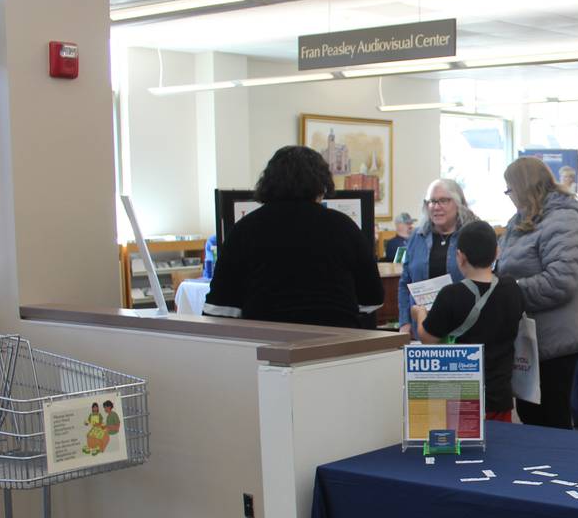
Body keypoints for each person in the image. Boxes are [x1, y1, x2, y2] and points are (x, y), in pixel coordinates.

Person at [205, 146, 383, 328]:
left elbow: (219, 307)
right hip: (336, 341)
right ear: (321, 184)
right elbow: (372, 299)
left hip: (266, 343)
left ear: (268, 182)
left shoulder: (244, 229)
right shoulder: (345, 227)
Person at [498, 156, 578, 429]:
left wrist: (510, 292)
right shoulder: (521, 220)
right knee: (531, 415)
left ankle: (559, 470)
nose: (509, 197)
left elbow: (561, 281)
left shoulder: (564, 222)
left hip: (557, 339)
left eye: (510, 190)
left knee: (552, 418)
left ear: (523, 187)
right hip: (532, 338)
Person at [411, 221, 525, 423]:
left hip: (461, 395)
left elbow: (428, 338)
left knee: (460, 448)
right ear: (497, 252)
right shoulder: (511, 288)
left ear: (460, 257)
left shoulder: (450, 295)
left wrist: (420, 314)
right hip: (499, 395)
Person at [398, 179, 477, 336]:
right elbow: (405, 283)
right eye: (431, 202)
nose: (436, 207)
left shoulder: (473, 234)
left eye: (443, 201)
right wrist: (405, 322)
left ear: (458, 203)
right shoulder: (417, 237)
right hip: (424, 327)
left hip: (464, 328)